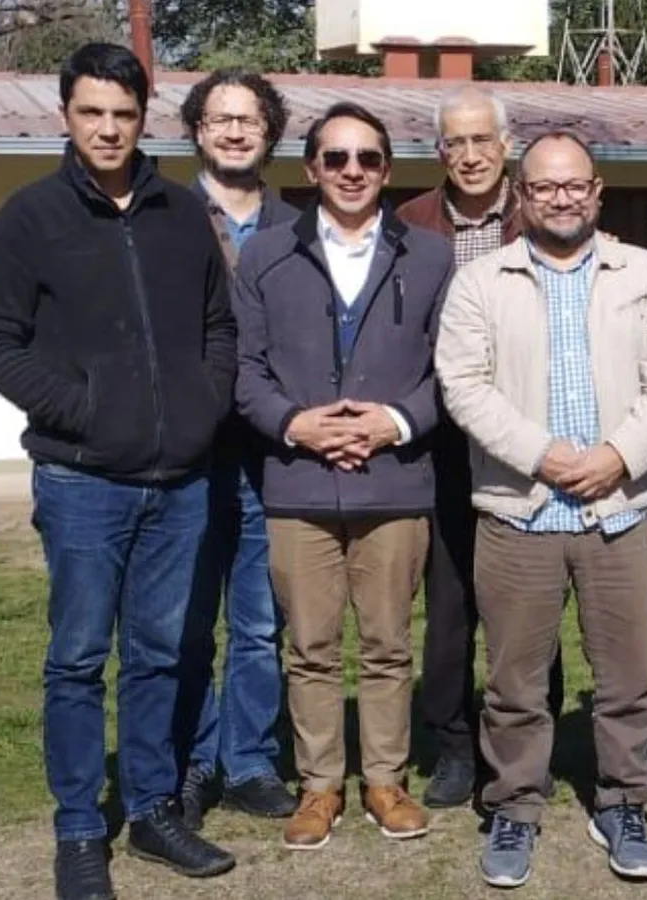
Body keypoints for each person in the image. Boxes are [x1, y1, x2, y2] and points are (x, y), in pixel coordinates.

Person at [0, 42, 238, 900]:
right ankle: (80, 828)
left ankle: (152, 810)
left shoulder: (181, 214)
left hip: (180, 482)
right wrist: (84, 410)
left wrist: (201, 406)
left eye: (124, 113)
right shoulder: (29, 216)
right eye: (92, 112)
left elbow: (219, 326)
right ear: (66, 115)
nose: (109, 129)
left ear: (143, 117)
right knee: (78, 659)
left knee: (159, 653)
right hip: (82, 482)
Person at [435, 130, 647, 889]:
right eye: (545, 186)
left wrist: (617, 456)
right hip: (520, 511)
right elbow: (464, 386)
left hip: (620, 509)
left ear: (597, 192)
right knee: (514, 681)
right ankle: (515, 804)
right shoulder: (482, 282)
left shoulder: (645, 274)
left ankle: (623, 800)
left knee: (629, 676)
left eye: (575, 184)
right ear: (522, 195)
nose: (561, 198)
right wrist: (543, 455)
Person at [232, 101, 453, 850]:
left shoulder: (431, 257)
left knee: (389, 644)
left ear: (386, 170)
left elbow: (453, 370)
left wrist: (392, 422)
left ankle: (386, 780)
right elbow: (246, 369)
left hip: (395, 481)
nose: (351, 171)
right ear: (311, 168)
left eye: (367, 159)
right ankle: (320, 784)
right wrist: (297, 425)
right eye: (336, 158)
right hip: (298, 483)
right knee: (311, 647)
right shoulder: (265, 256)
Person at [395, 85, 564, 809]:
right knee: (450, 602)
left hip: (529, 438)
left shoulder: (541, 215)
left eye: (481, 141)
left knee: (530, 601)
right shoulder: (409, 224)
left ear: (506, 145)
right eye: (455, 143)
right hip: (441, 442)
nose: (469, 155)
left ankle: (529, 742)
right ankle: (455, 744)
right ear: (440, 151)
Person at [172, 66, 299, 831]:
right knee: (186, 623)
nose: (234, 130)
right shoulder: (164, 217)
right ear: (198, 130)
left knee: (257, 623)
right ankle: (192, 761)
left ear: (269, 131)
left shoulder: (299, 228)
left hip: (268, 457)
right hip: (185, 457)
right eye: (220, 118)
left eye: (248, 118)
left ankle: (249, 760)